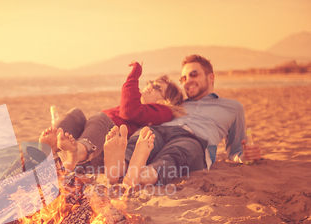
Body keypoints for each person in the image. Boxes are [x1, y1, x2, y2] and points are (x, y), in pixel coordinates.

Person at [104, 54, 261, 187]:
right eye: (183, 78)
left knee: (175, 154)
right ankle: (119, 167)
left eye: (194, 74)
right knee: (142, 137)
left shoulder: (233, 107)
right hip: (161, 130)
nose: (187, 81)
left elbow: (235, 152)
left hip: (194, 138)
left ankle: (141, 176)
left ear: (211, 77)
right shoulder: (176, 104)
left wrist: (245, 157)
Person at [39, 62, 185, 182]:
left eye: (157, 87)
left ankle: (77, 152)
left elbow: (129, 110)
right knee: (76, 114)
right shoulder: (144, 108)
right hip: (93, 142)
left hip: (105, 152)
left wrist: (134, 76)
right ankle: (51, 148)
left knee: (101, 118)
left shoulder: (163, 111)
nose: (150, 85)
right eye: (151, 82)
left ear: (166, 100)